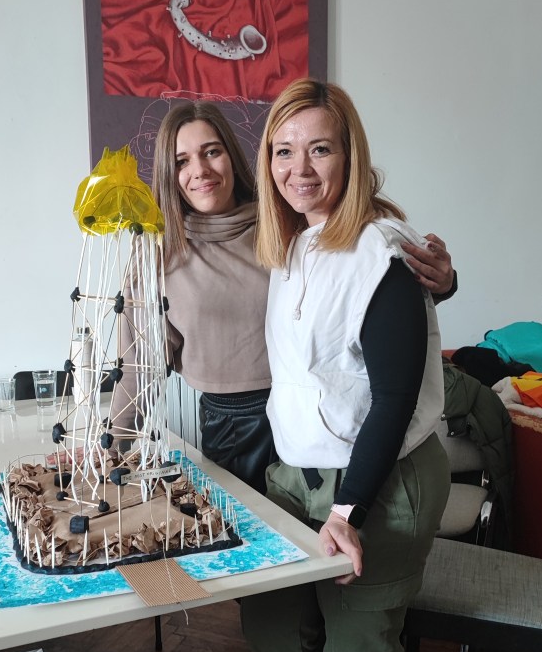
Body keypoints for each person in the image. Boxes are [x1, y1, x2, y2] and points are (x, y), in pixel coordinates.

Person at [240, 78, 451, 652]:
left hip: (377, 482)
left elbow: (392, 401)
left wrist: (347, 511)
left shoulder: (381, 252)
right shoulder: (297, 242)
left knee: (359, 643)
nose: (299, 169)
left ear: (349, 155)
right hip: (301, 473)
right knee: (270, 618)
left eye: (320, 149)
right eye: (284, 151)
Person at [110, 100, 455, 498]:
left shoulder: (286, 220)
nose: (200, 170)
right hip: (235, 426)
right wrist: (112, 444)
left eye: (212, 152)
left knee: (323, 531)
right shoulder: (157, 253)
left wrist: (442, 283)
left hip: (323, 413)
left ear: (233, 156)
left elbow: (359, 296)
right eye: (182, 161)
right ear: (168, 173)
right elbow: (140, 364)